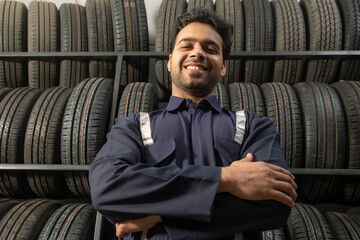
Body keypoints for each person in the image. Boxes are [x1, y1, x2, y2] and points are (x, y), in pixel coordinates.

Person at [89, 8, 297, 240]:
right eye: (186, 46)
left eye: (210, 49)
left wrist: (158, 216)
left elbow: (276, 204)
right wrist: (226, 178)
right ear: (169, 62)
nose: (197, 53)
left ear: (223, 67)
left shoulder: (254, 127)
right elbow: (107, 188)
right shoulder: (133, 127)